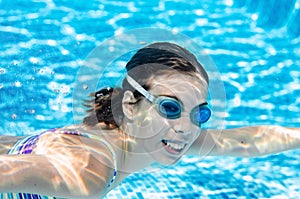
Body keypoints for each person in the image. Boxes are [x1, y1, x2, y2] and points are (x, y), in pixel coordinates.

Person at [0, 42, 299, 199]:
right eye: (170, 108)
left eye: (200, 114)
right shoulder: (88, 172)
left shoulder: (145, 137)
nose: (187, 127)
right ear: (131, 105)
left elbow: (245, 141)